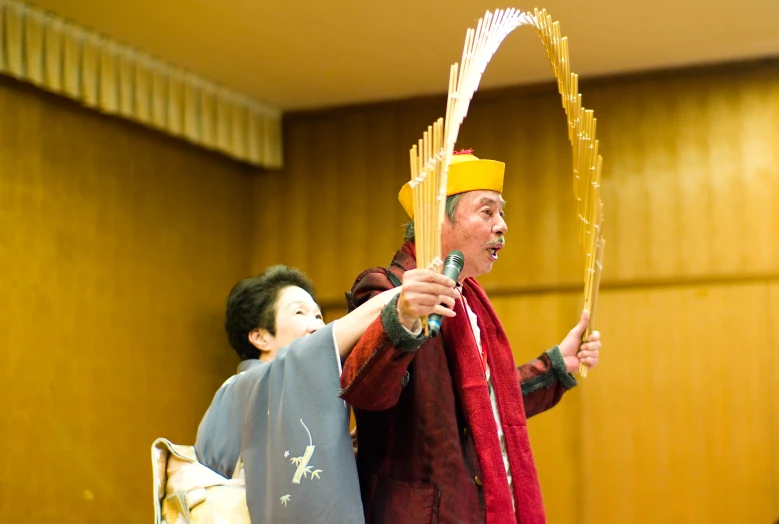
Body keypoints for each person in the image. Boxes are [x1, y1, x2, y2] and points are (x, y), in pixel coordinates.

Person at [340, 150, 602, 523]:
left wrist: (556, 365)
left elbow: (488, 406)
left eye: (502, 212)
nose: (502, 225)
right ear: (436, 220)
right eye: (487, 211)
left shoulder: (470, 300)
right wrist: (402, 317)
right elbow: (366, 391)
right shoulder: (386, 289)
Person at [195, 264, 457, 523]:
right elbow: (322, 346)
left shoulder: (273, 390)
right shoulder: (242, 387)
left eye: (319, 316)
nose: (316, 325)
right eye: (300, 313)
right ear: (260, 337)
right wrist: (402, 295)